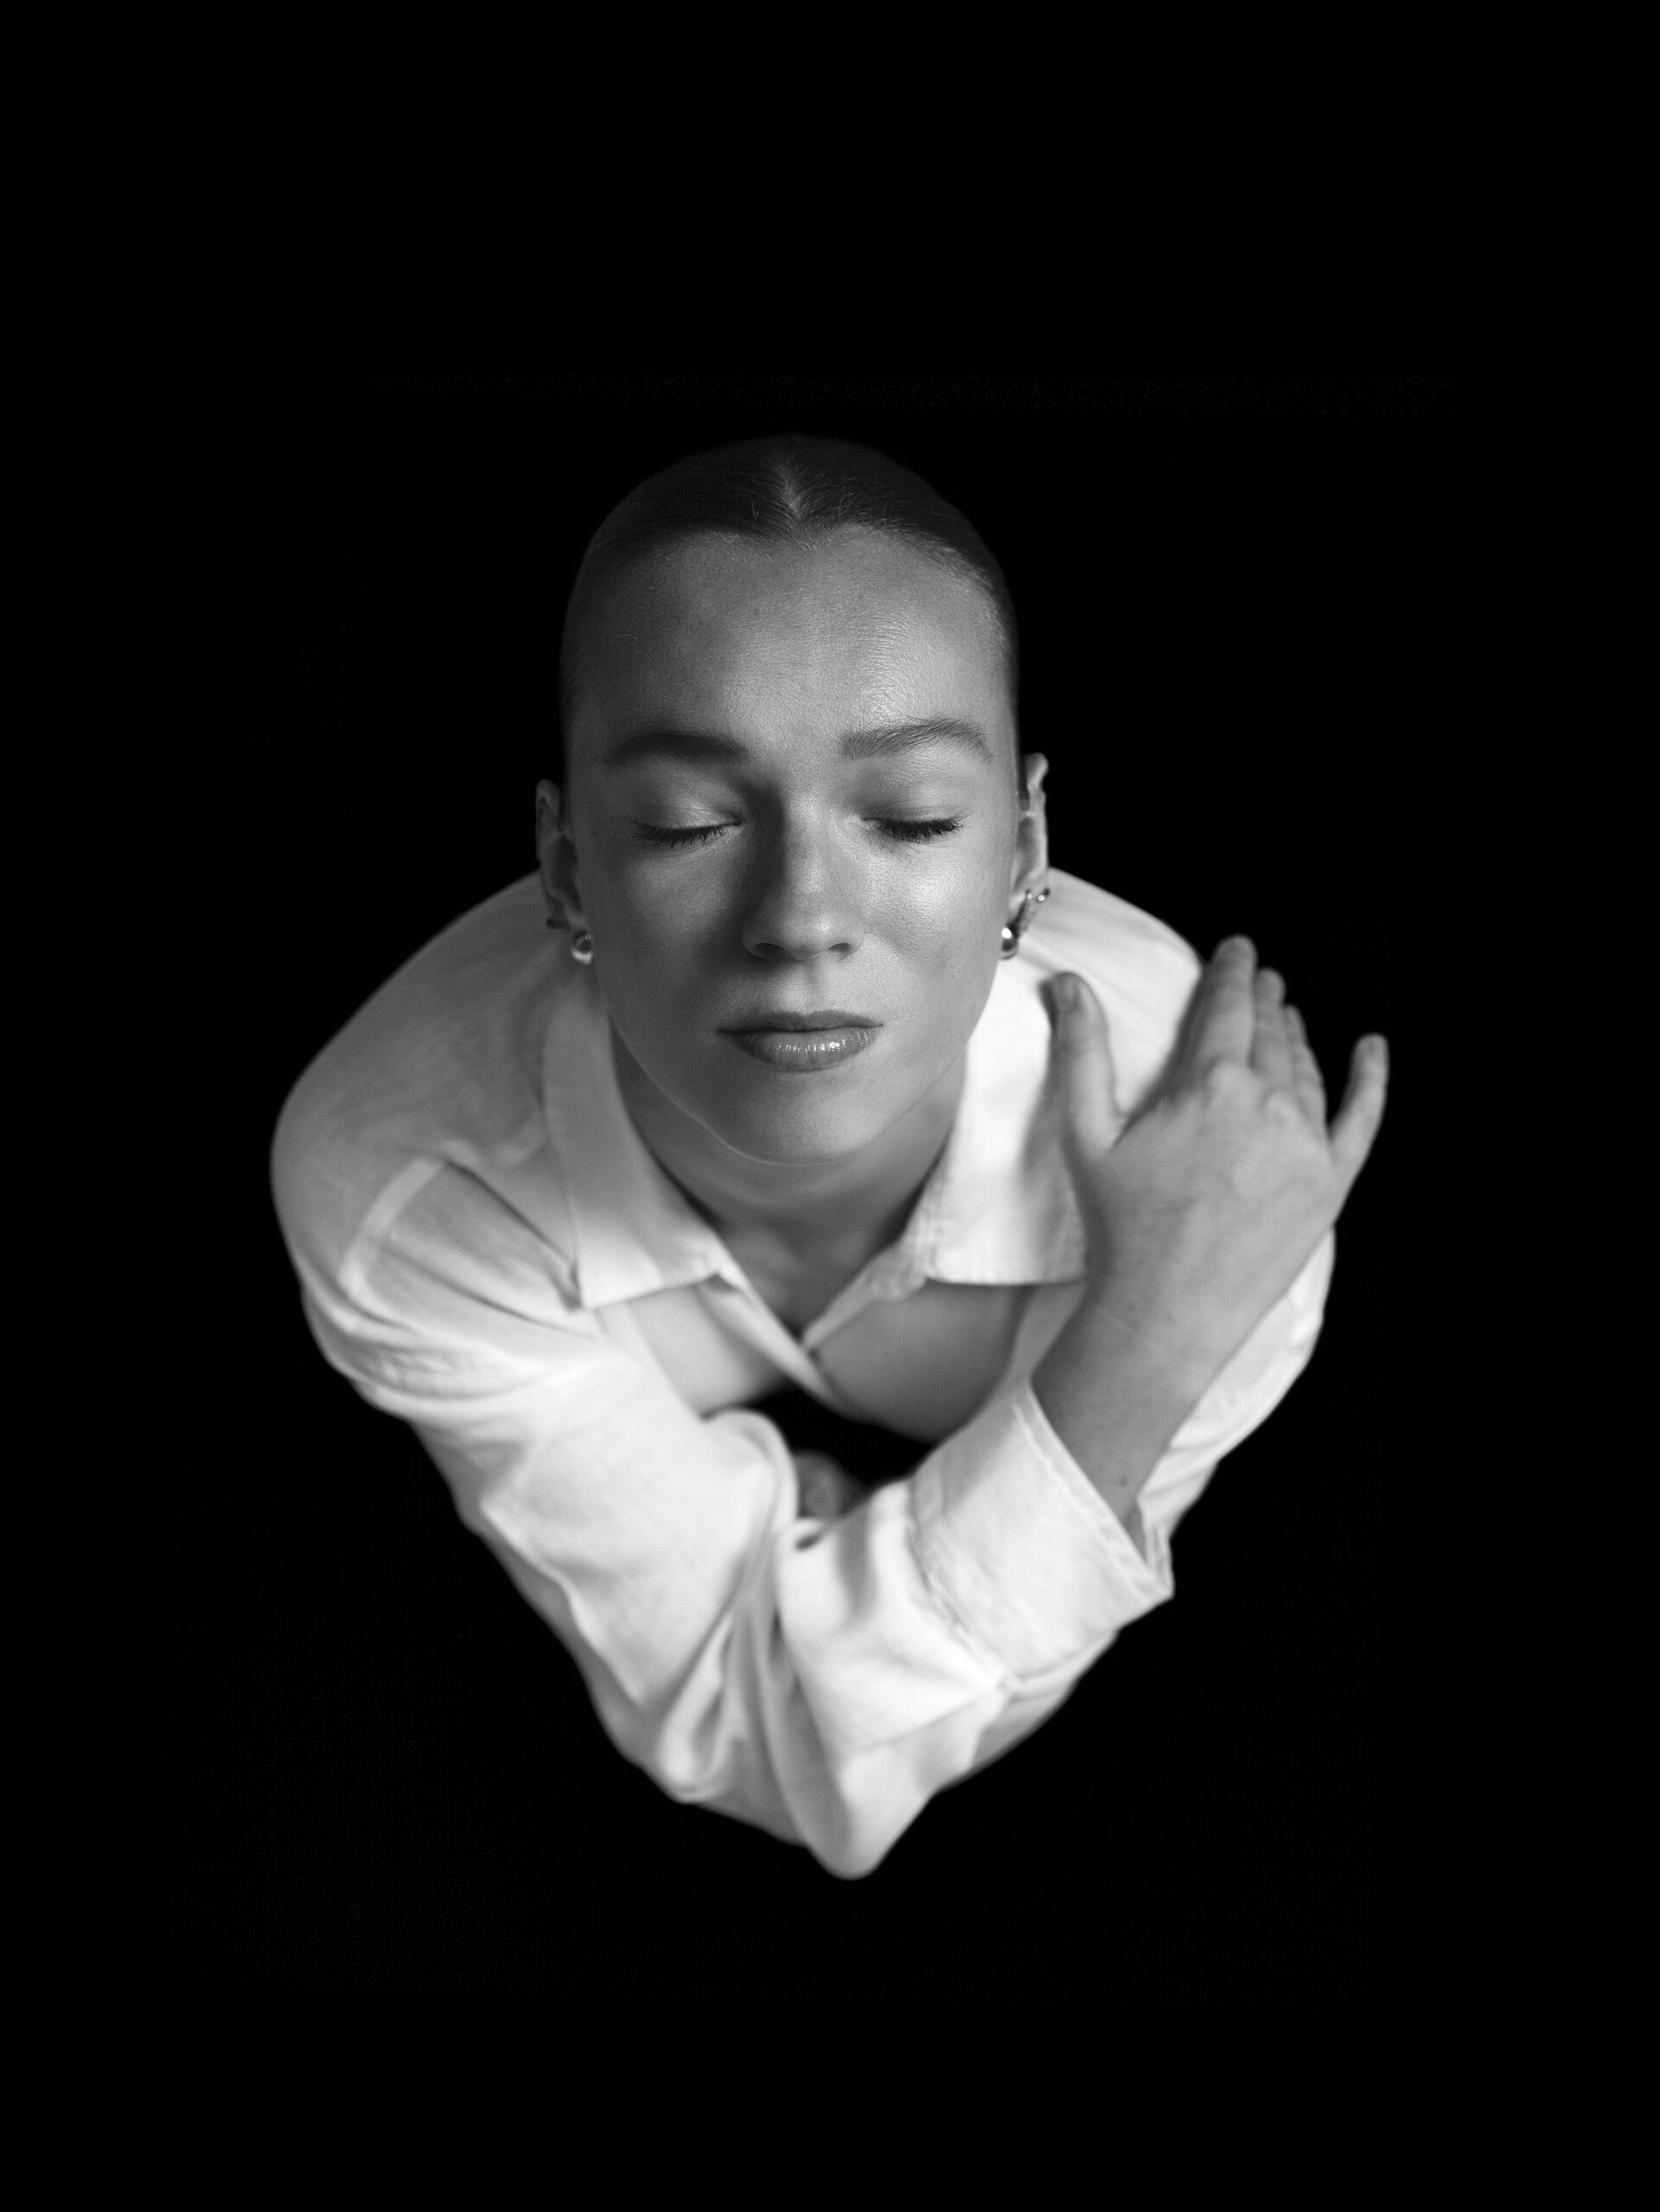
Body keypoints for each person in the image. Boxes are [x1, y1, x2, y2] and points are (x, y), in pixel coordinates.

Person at [269, 432, 1389, 1880]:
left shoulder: (1219, 1186)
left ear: (1025, 846)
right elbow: (779, 1744)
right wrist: (1111, 1392)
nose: (801, 917)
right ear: (564, 866)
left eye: (912, 817)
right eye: (687, 823)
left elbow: (846, 1756)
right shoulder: (405, 1176)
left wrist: (1153, 1329)